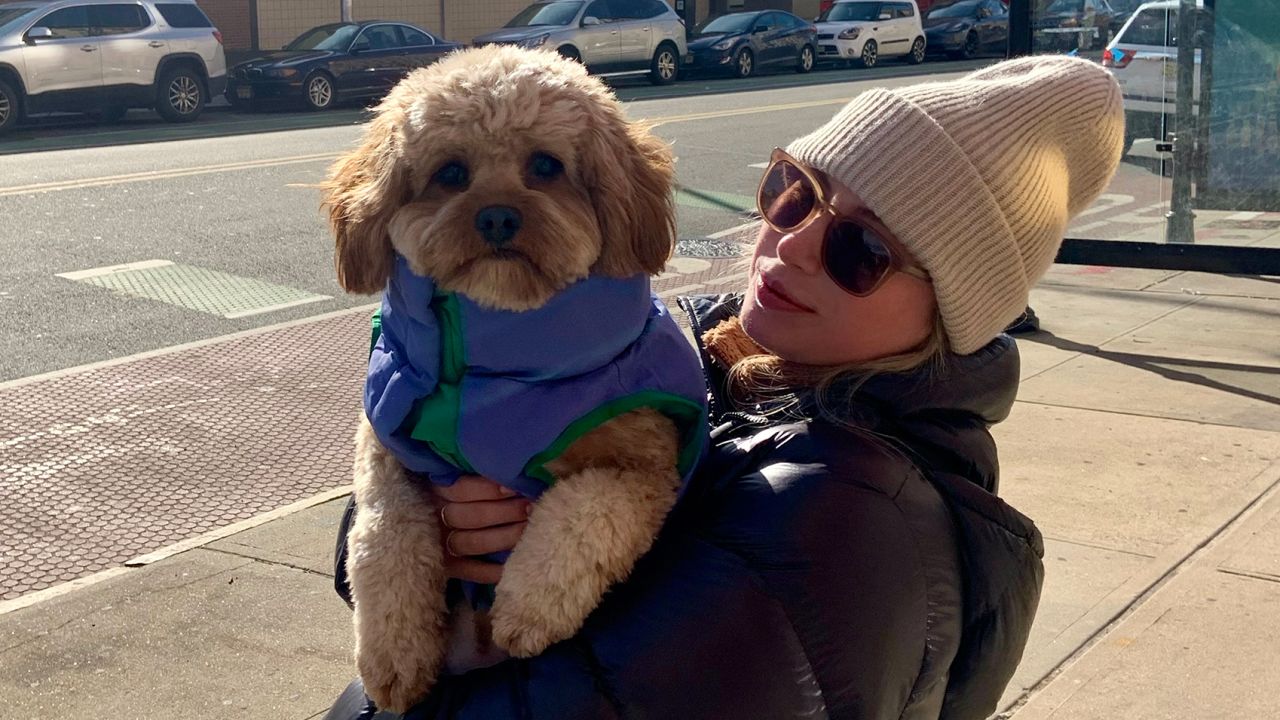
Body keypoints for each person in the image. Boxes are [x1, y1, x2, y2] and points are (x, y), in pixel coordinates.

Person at [325, 55, 1124, 720]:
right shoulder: (691, 347)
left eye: (862, 251)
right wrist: (412, 518)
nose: (796, 246)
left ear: (950, 314)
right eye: (795, 192)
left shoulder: (845, 522)